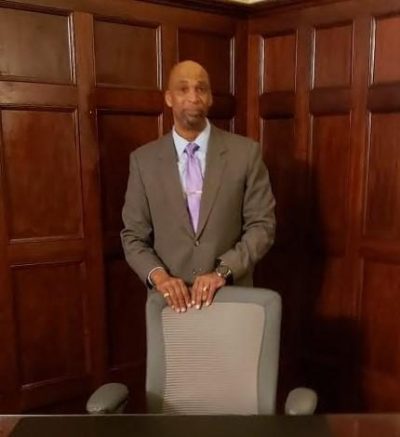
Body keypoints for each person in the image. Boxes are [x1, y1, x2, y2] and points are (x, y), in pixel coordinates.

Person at [121, 60, 275, 313]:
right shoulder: (143, 161)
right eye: (183, 89)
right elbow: (133, 237)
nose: (193, 97)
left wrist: (222, 272)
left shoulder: (245, 154)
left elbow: (263, 226)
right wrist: (161, 278)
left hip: (232, 297)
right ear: (169, 98)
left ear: (210, 97)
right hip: (170, 304)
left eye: (201, 89)